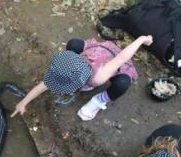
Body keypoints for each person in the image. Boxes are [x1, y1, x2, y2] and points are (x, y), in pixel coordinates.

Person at [11, 36, 153, 121]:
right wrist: (23, 102)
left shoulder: (98, 78)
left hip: (110, 58)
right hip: (95, 52)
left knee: (122, 83)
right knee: (74, 43)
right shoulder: (70, 64)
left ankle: (99, 100)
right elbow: (43, 85)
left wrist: (142, 39)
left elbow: (122, 57)